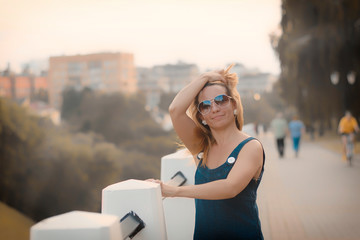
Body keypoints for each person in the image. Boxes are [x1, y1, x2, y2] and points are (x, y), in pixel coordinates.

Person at [149, 64, 264, 239]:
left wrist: (173, 191)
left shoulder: (250, 146)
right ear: (202, 116)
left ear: (234, 104)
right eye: (205, 105)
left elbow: (230, 187)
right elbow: (175, 110)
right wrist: (204, 77)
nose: (215, 109)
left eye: (221, 100)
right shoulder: (201, 147)